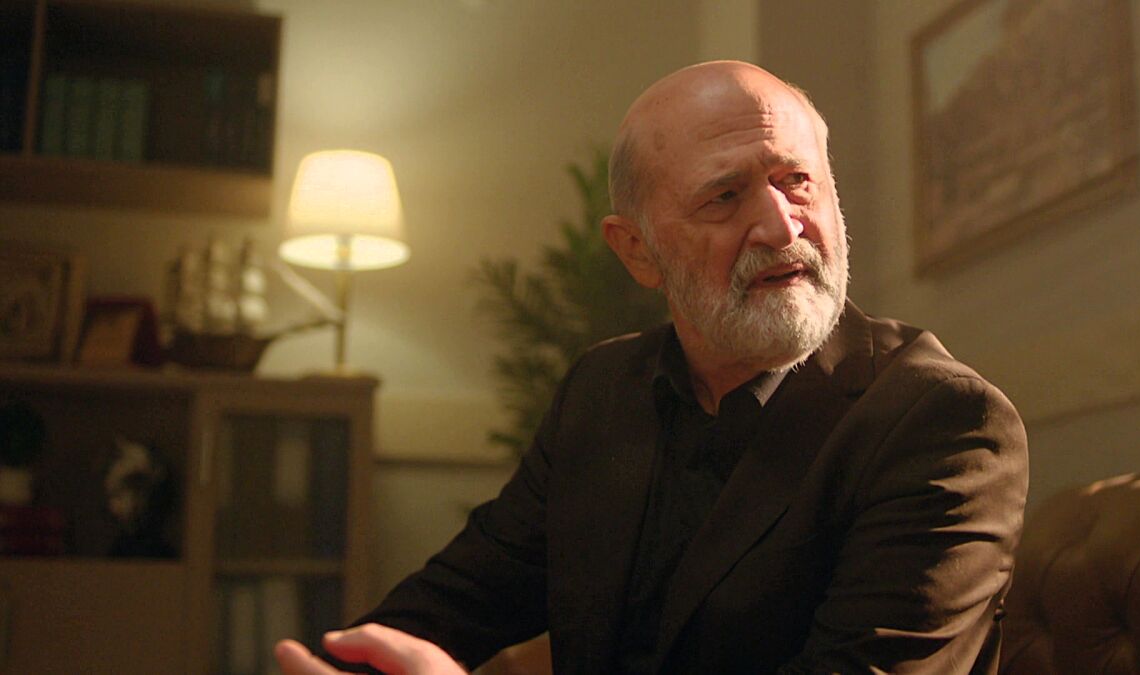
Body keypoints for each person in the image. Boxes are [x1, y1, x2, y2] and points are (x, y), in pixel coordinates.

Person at [276, 60, 1029, 675]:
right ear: (637, 250)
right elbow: (457, 601)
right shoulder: (603, 393)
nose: (779, 225)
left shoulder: (943, 422)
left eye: (798, 181)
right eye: (725, 196)